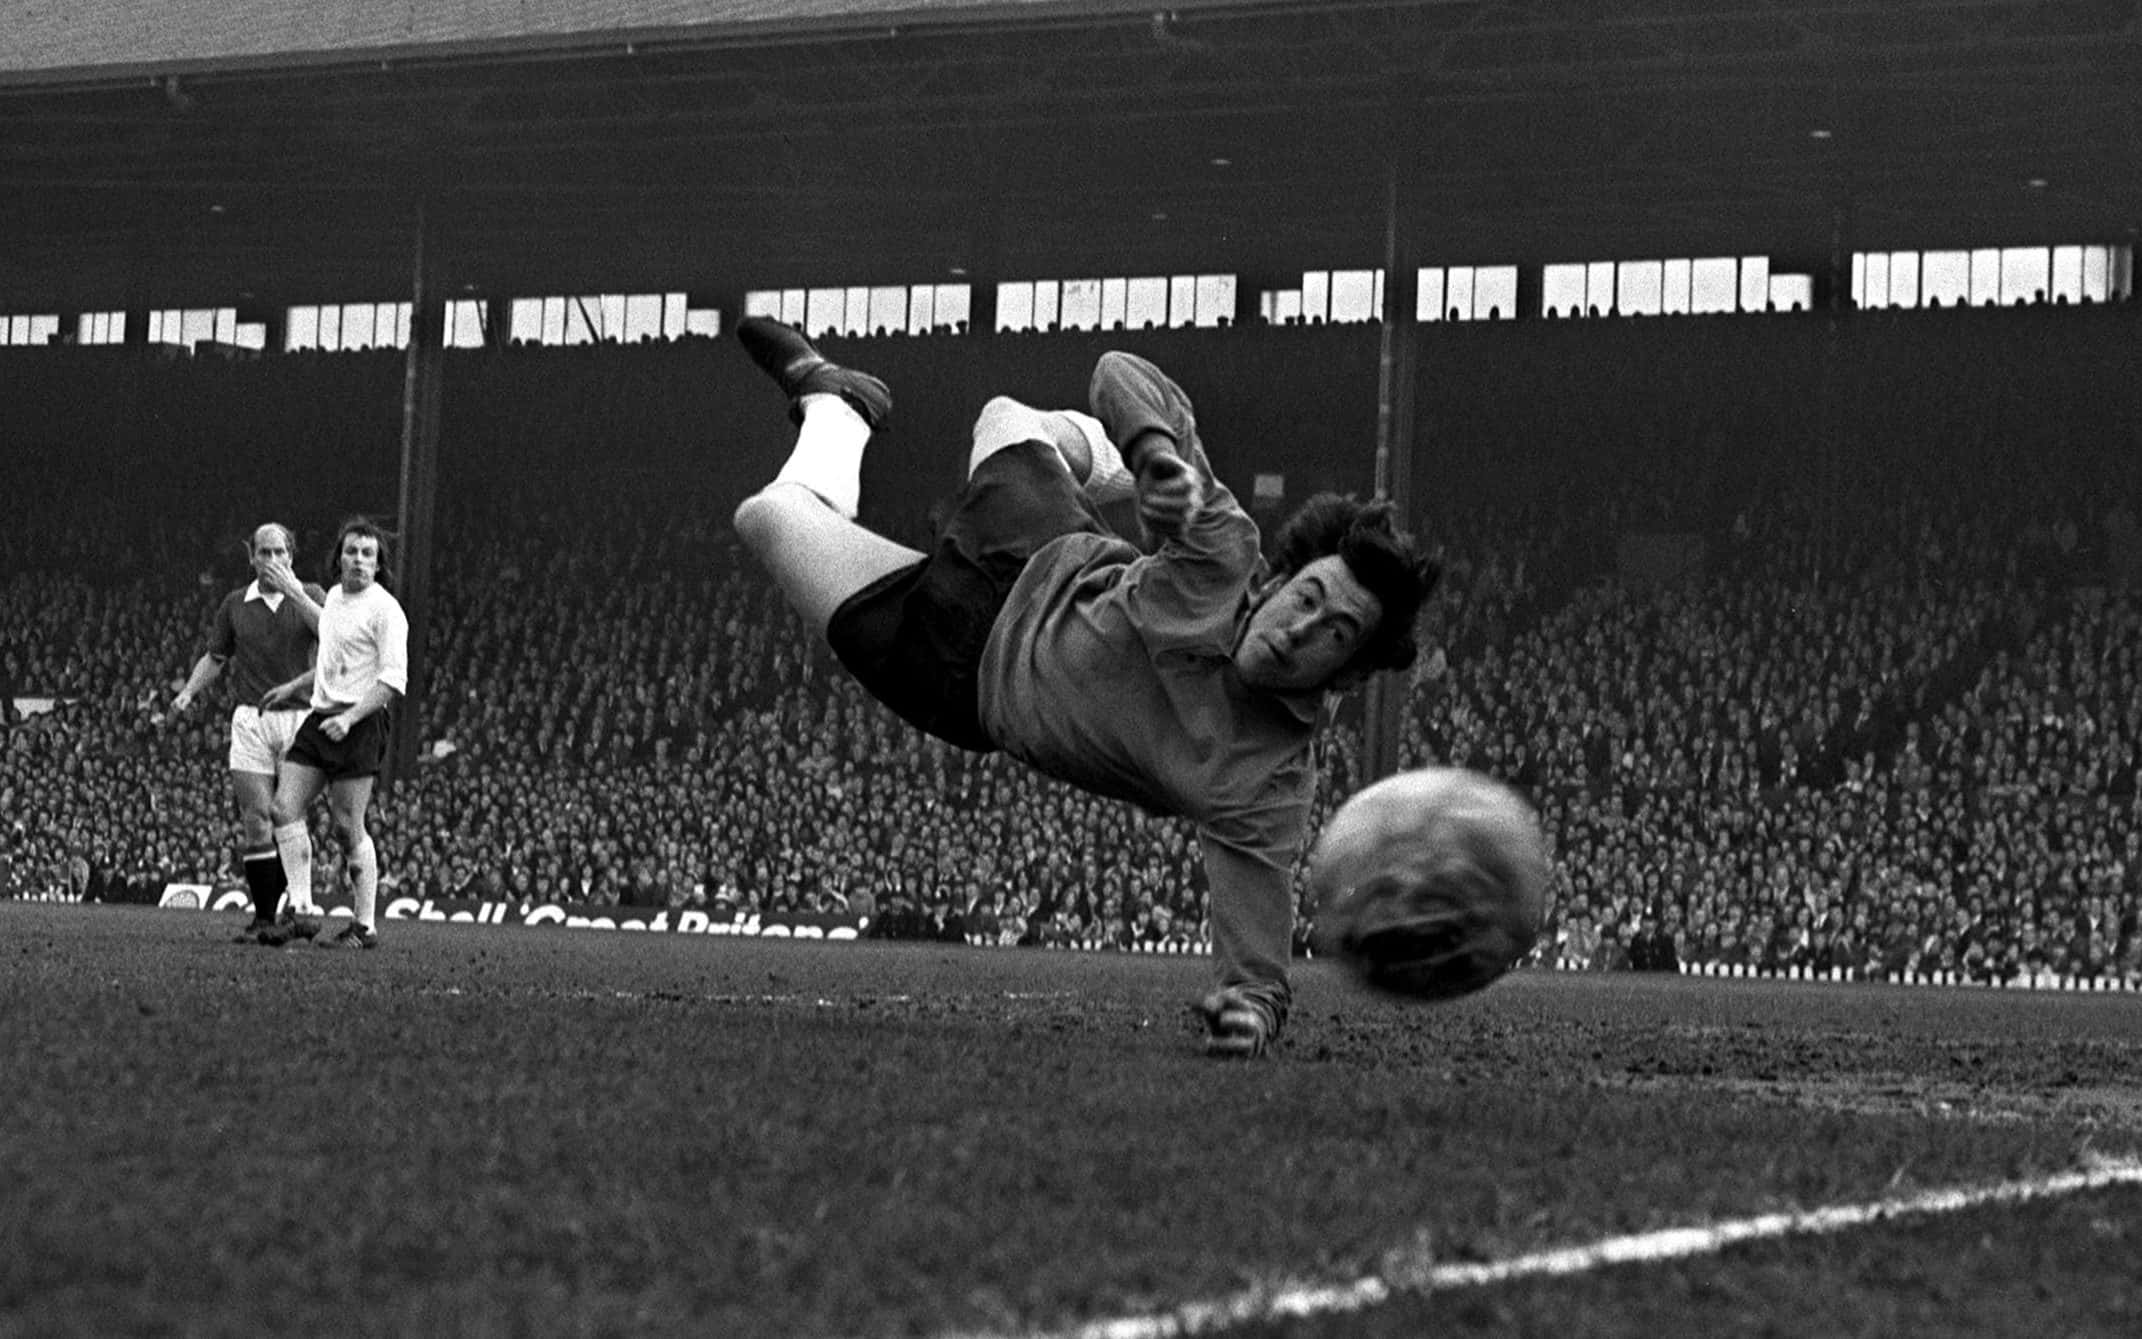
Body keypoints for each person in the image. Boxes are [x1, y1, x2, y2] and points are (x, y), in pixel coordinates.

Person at [729, 318, 1438, 1057]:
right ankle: (1108, 466)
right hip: (1032, 545)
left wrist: (1248, 1015)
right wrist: (1154, 455)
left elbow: (1257, 941)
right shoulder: (1224, 553)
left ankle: (838, 409)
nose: (1301, 627)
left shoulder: (1268, 782)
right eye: (1309, 596)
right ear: (1281, 579)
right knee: (1005, 416)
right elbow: (1121, 372)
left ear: (1347, 673)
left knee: (768, 517)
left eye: (1336, 632)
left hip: (960, 679)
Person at [252, 518, 410, 950]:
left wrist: (351, 717)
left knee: (345, 826)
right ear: (339, 558)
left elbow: (391, 682)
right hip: (322, 718)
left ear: (378, 564)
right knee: (283, 808)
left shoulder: (386, 611)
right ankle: (302, 910)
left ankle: (364, 926)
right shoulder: (337, 598)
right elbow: (333, 654)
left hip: (361, 724)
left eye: (367, 554)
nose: (358, 560)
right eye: (351, 551)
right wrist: (294, 687)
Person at [170, 522, 327, 942]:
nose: (272, 560)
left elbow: (334, 638)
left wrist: (294, 591)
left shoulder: (311, 594)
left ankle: (300, 905)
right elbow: (215, 657)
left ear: (291, 555)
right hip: (251, 718)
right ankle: (264, 917)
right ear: (251, 557)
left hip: (299, 717)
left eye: (279, 552)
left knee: (288, 813)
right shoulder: (235, 604)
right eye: (264, 552)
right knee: (256, 819)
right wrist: (188, 692)